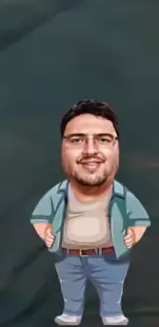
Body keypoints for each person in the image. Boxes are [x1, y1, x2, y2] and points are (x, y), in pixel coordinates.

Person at [30, 99, 151, 326]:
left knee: (112, 287)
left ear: (117, 147)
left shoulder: (123, 196)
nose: (90, 150)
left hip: (111, 257)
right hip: (69, 257)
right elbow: (39, 218)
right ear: (62, 147)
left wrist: (132, 236)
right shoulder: (57, 195)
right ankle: (71, 313)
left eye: (103, 139)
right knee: (71, 287)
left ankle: (112, 313)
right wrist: (46, 233)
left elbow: (140, 220)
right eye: (77, 140)